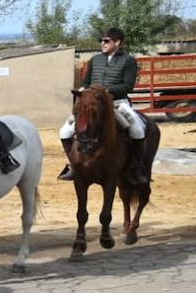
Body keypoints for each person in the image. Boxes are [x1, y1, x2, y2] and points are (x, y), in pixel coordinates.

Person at [59, 26, 148, 183]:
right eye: (101, 41)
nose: (102, 43)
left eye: (106, 41)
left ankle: (136, 168)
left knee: (137, 130)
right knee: (64, 132)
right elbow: (86, 82)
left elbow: (128, 86)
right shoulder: (95, 60)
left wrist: (105, 91)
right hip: (92, 105)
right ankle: (74, 165)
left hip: (117, 103)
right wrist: (83, 92)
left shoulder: (128, 61)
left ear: (117, 42)